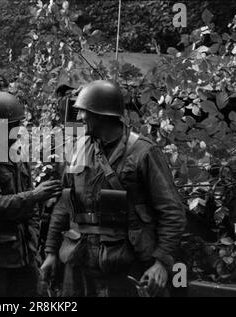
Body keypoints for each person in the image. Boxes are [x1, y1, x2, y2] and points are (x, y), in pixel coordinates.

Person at [40, 80, 186, 297]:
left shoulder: (143, 152)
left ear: (102, 115)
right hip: (79, 263)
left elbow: (172, 211)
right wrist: (51, 252)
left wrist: (161, 263)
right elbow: (64, 204)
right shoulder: (78, 150)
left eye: (84, 112)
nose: (79, 118)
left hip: (124, 266)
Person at [0, 92, 62, 297]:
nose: (18, 130)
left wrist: (32, 242)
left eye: (18, 124)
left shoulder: (17, 154)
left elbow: (30, 207)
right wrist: (34, 196)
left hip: (23, 257)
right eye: (13, 125)